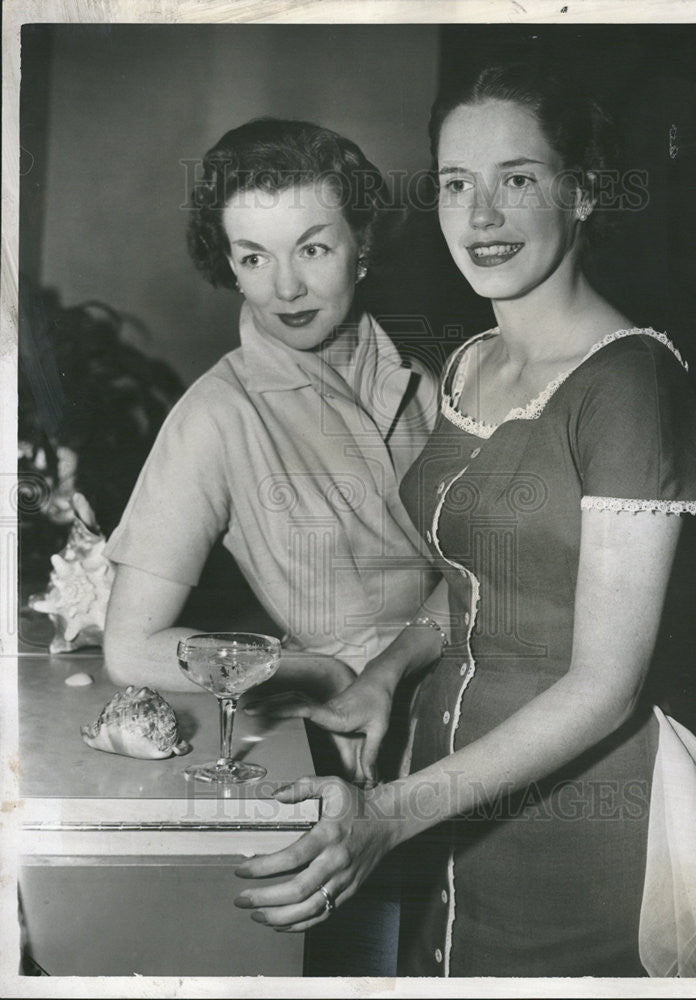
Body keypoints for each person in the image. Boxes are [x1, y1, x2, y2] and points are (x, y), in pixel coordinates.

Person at [232, 62, 696, 978]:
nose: (480, 218)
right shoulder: (477, 362)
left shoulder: (630, 385)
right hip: (448, 802)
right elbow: (478, 579)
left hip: (577, 825)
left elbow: (605, 684)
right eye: (455, 184)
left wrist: (392, 814)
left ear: (585, 191)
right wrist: (389, 675)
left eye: (518, 179)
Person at [102, 117, 440, 975]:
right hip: (367, 769)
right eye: (252, 257)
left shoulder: (435, 380)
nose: (284, 286)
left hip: (496, 731)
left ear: (363, 244)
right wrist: (313, 668)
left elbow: (484, 576)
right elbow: (131, 647)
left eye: (313, 248)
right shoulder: (216, 417)